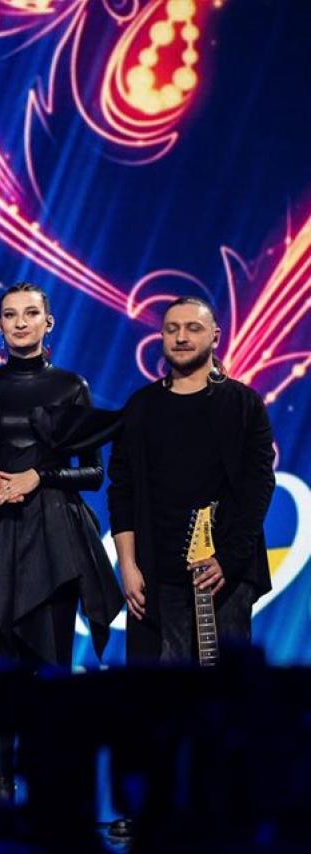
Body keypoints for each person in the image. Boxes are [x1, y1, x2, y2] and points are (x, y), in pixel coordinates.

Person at [0, 282, 123, 809]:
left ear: (49, 323)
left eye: (30, 313)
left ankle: (53, 799)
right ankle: (2, 796)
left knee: (51, 670)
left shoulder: (71, 386)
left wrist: (39, 477)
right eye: (10, 314)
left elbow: (93, 473)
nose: (20, 322)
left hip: (53, 539)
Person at [104, 296, 275, 840]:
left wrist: (229, 557)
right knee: (153, 699)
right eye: (172, 328)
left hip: (224, 573)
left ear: (214, 336)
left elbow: (259, 486)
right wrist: (128, 566)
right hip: (154, 575)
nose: (181, 337)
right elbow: (121, 491)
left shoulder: (242, 404)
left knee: (222, 696)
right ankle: (150, 805)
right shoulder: (140, 408)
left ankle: (224, 804)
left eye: (192, 328)